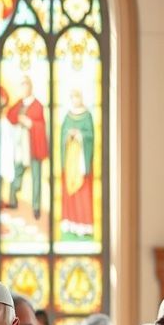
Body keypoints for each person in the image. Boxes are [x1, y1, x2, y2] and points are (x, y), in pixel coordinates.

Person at [6, 75, 48, 219]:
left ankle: (36, 207)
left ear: (30, 87)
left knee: (36, 177)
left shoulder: (38, 105)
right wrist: (18, 119)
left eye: (25, 85)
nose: (23, 88)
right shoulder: (19, 104)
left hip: (34, 146)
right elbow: (10, 116)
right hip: (20, 146)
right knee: (16, 172)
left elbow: (41, 126)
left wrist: (30, 123)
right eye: (21, 86)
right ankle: (12, 199)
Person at [60, 88, 95, 238]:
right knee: (69, 191)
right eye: (72, 97)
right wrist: (68, 136)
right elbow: (62, 135)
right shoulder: (68, 116)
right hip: (70, 160)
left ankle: (83, 225)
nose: (75, 100)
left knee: (83, 191)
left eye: (77, 97)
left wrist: (80, 135)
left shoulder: (87, 116)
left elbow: (91, 136)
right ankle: (70, 222)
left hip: (81, 161)